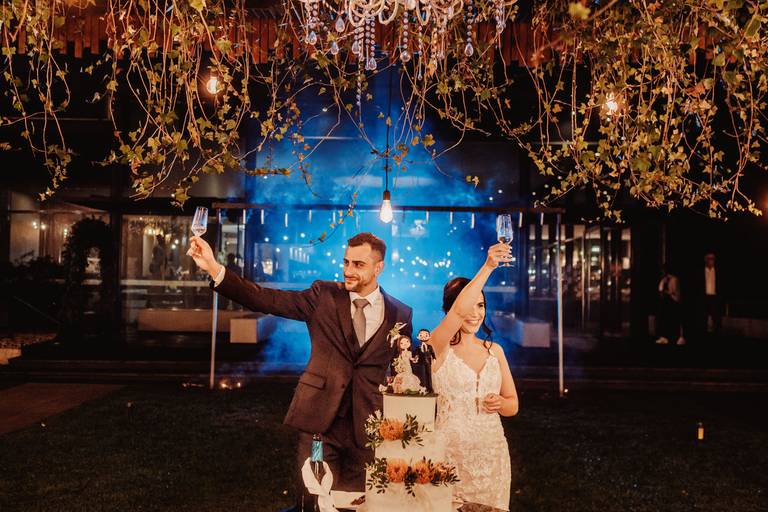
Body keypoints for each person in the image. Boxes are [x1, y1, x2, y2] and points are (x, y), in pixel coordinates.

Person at [188, 232, 412, 511]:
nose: (348, 270)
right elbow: (265, 299)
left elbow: (404, 368)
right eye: (346, 262)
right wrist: (214, 268)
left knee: (361, 505)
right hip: (320, 424)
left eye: (358, 264)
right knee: (313, 502)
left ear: (379, 267)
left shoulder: (400, 314)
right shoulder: (323, 296)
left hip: (368, 429)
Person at [429, 243, 519, 511]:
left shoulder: (495, 351)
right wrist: (489, 266)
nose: (475, 313)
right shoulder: (438, 347)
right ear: (450, 309)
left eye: (481, 305)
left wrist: (500, 404)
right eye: (470, 305)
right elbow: (459, 311)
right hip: (450, 457)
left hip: (492, 456)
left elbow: (513, 405)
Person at [656, 265, 685, 345]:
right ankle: (664, 336)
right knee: (664, 318)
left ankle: (677, 337)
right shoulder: (663, 280)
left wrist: (668, 293)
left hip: (674, 303)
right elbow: (660, 291)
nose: (662, 273)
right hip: (666, 304)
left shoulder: (674, 279)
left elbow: (676, 294)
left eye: (663, 271)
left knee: (674, 320)